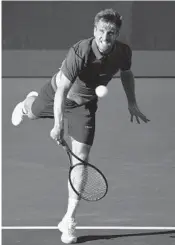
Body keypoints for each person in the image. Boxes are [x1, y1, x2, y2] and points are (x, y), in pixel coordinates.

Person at [11, 8, 150, 244]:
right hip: (58, 94)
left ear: (117, 34)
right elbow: (62, 90)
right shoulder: (81, 50)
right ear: (95, 31)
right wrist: (58, 125)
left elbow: (126, 74)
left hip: (84, 107)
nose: (106, 37)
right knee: (33, 114)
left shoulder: (123, 52)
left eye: (111, 33)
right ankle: (26, 104)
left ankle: (69, 220)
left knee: (81, 161)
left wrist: (132, 102)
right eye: (102, 31)